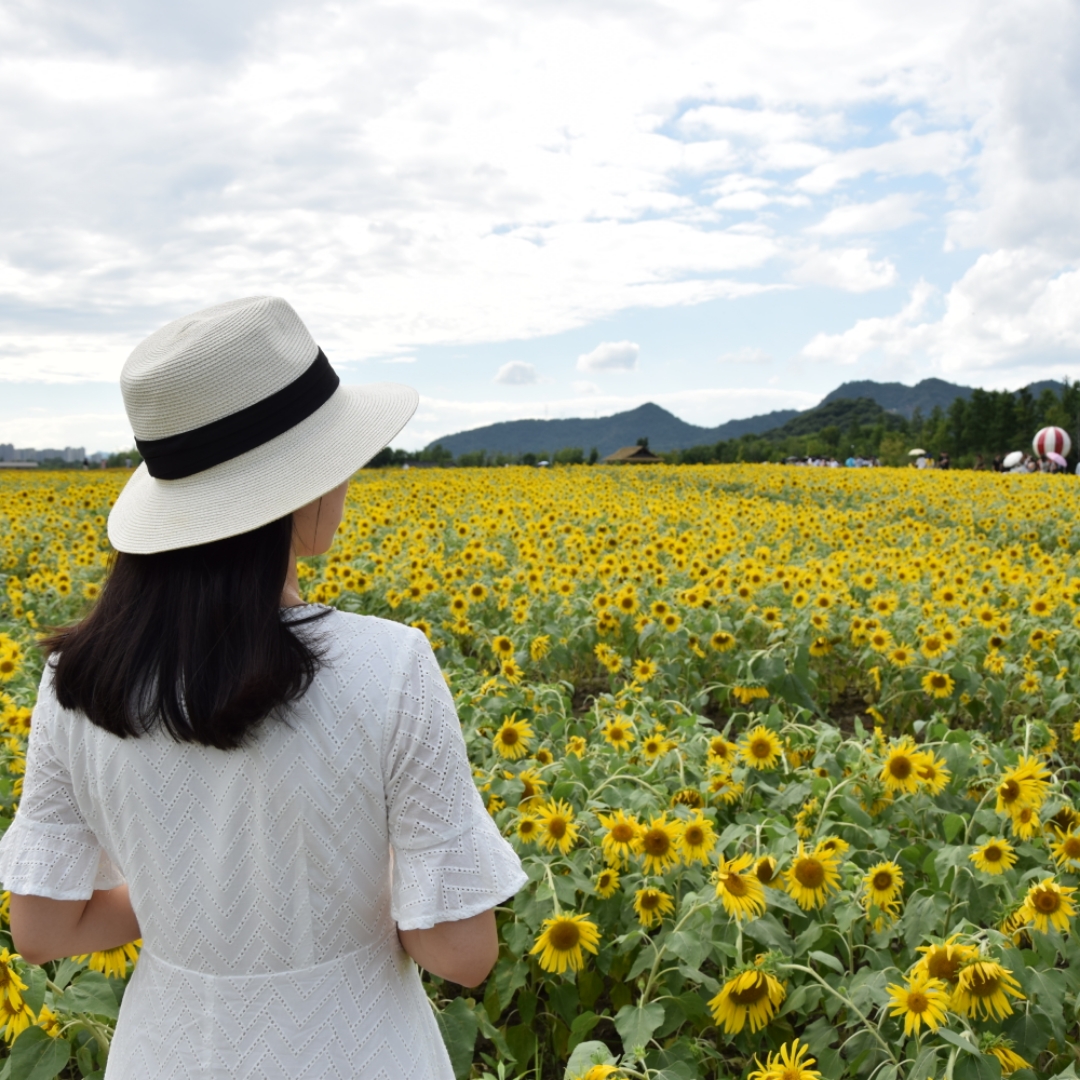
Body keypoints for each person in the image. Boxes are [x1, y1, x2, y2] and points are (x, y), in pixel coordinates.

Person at [0, 297, 527, 1078]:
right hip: (356, 1049)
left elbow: (42, 931)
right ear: (303, 483)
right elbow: (461, 952)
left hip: (166, 1054)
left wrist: (191, 909)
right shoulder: (390, 667)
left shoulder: (73, 683)